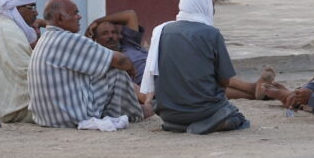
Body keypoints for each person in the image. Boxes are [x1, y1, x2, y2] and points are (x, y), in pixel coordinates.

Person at [87, 9, 279, 100]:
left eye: (113, 32)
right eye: (104, 34)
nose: (111, 36)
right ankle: (253, 90)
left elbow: (130, 14)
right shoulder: (101, 56)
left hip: (168, 67)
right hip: (156, 84)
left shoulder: (128, 43)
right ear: (95, 40)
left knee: (205, 75)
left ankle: (253, 89)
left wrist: (97, 20)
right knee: (202, 83)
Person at [141, 0, 249, 134]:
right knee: (237, 117)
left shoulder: (162, 30)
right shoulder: (212, 34)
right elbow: (225, 80)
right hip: (204, 111)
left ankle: (179, 125)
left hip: (167, 113)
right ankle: (205, 125)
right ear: (204, 6)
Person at [28, 0, 147, 128]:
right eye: (75, 13)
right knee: (116, 73)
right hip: (70, 118)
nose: (79, 17)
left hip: (45, 118)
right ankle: (136, 114)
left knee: (103, 69)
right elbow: (120, 61)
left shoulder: (44, 39)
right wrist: (130, 67)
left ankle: (127, 112)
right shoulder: (68, 39)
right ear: (60, 18)